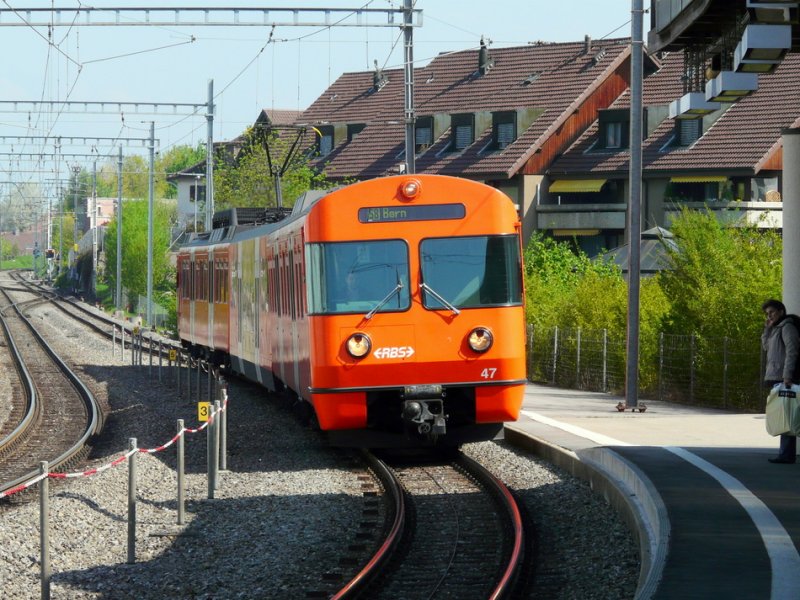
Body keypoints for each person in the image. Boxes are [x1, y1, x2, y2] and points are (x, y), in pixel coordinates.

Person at [761, 299, 800, 463]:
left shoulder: (787, 327)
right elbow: (765, 347)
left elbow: (792, 351)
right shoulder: (775, 328)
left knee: (789, 414)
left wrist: (787, 375)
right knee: (787, 415)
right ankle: (786, 454)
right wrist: (767, 329)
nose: (769, 316)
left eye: (772, 312)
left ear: (781, 311)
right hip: (779, 376)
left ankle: (786, 454)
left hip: (786, 377)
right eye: (767, 313)